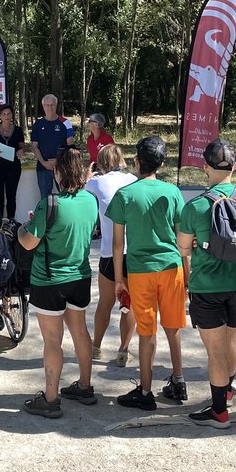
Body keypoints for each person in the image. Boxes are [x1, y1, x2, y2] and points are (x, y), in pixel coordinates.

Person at [177, 139, 236, 428]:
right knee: (230, 340)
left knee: (215, 351)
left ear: (205, 167)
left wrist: (198, 243)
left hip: (207, 286)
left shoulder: (196, 206)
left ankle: (219, 411)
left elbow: (183, 249)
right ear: (235, 167)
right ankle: (228, 389)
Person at [19, 145, 100, 417]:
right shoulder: (90, 201)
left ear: (58, 172)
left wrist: (21, 229)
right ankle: (85, 386)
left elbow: (29, 243)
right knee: (80, 332)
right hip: (80, 277)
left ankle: (51, 399)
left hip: (49, 279)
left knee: (53, 340)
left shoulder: (49, 204)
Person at [108, 136, 186, 410]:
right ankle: (178, 381)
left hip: (140, 270)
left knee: (146, 331)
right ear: (162, 163)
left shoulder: (125, 195)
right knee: (173, 328)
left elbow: (118, 244)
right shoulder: (174, 192)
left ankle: (145, 390)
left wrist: (119, 279)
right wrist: (186, 274)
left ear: (137, 161)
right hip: (172, 267)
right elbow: (182, 239)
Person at [84, 144, 136, 366]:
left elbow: (81, 191)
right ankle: (123, 350)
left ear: (100, 162)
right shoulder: (133, 180)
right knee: (128, 305)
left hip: (108, 252)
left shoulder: (95, 182)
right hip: (132, 253)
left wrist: (88, 174)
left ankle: (96, 346)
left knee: (105, 304)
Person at [0, 103, 25, 220]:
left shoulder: (17, 130)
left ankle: (11, 221)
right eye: (4, 114)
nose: (7, 116)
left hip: (13, 168)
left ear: (12, 115)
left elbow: (22, 146)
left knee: (12, 196)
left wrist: (21, 151)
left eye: (9, 114)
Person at [30, 94, 74, 199]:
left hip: (62, 166)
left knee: (66, 196)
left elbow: (70, 145)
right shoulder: (38, 124)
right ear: (43, 106)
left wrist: (59, 161)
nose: (50, 108)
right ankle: (47, 216)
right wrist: (44, 163)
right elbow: (34, 146)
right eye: (47, 105)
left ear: (56, 105)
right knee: (45, 198)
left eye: (52, 105)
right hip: (43, 167)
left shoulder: (65, 122)